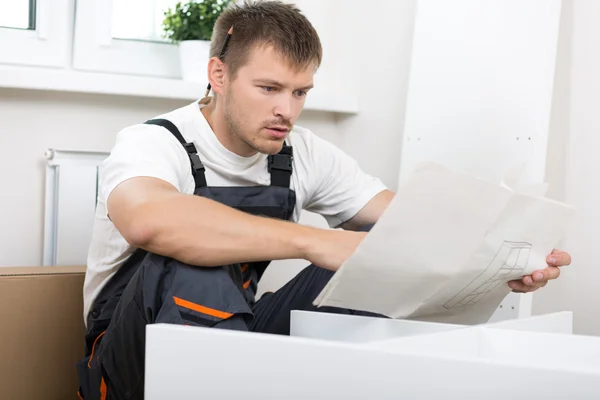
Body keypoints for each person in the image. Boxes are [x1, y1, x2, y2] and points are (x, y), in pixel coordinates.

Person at [76, 1, 572, 399]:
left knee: (378, 248)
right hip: (131, 363)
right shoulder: (154, 141)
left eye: (300, 92)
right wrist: (316, 242)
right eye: (269, 88)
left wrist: (506, 256)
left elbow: (411, 224)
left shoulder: (301, 152)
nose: (285, 110)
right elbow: (149, 220)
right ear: (219, 75)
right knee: (189, 253)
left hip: (238, 345)